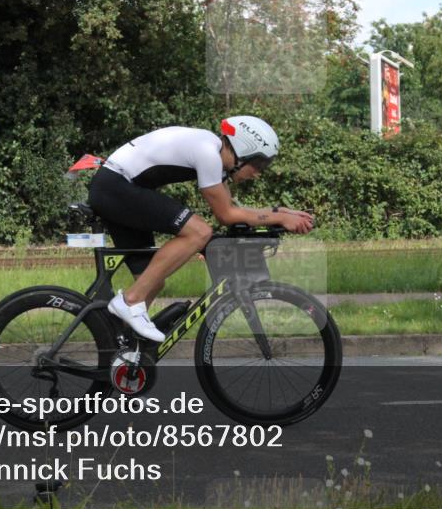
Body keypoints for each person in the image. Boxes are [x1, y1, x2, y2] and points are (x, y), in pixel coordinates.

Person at [87, 116, 314, 341]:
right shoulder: (208, 153)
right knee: (199, 231)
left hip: (118, 188)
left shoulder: (211, 151)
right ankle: (129, 300)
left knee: (152, 280)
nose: (258, 173)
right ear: (242, 151)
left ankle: (119, 351)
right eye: (259, 164)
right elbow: (226, 215)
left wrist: (281, 213)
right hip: (116, 188)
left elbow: (234, 209)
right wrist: (279, 217)